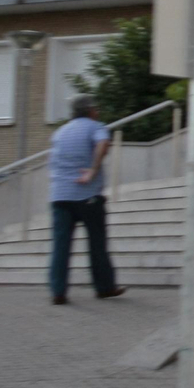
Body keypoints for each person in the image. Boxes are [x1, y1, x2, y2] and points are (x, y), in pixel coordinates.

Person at [48, 93, 124, 306]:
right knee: (97, 243)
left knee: (60, 246)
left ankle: (58, 292)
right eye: (96, 108)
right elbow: (103, 144)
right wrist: (93, 169)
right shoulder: (96, 127)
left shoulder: (59, 133)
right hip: (87, 195)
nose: (98, 111)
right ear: (90, 110)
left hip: (59, 196)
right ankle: (105, 288)